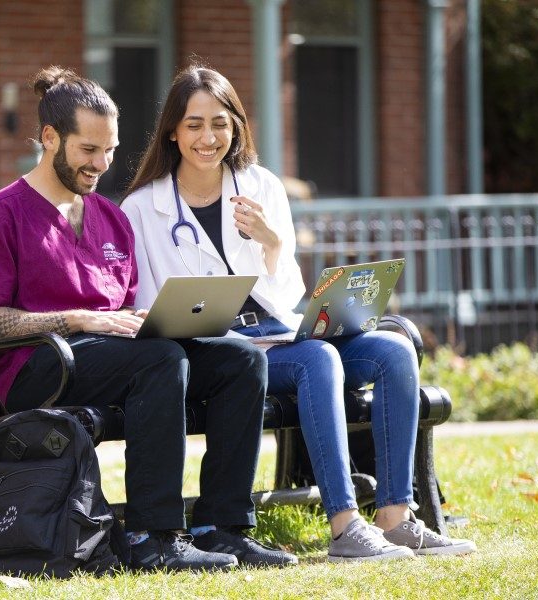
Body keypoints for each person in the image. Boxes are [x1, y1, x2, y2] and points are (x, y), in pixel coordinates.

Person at [122, 65, 476, 562]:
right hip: (222, 352)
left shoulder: (260, 185)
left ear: (237, 126)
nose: (209, 137)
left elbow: (288, 291)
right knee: (318, 360)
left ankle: (396, 518)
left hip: (278, 332)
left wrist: (270, 242)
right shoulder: (143, 208)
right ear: (173, 132)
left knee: (394, 351)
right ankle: (345, 524)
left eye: (220, 123)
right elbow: (148, 308)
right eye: (195, 124)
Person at [0, 66, 297, 571]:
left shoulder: (109, 217)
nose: (102, 163)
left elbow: (119, 311)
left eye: (110, 149)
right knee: (159, 361)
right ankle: (151, 536)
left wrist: (151, 318)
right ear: (50, 138)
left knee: (239, 361)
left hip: (104, 358)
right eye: (89, 151)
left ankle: (221, 527)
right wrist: (76, 320)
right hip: (35, 368)